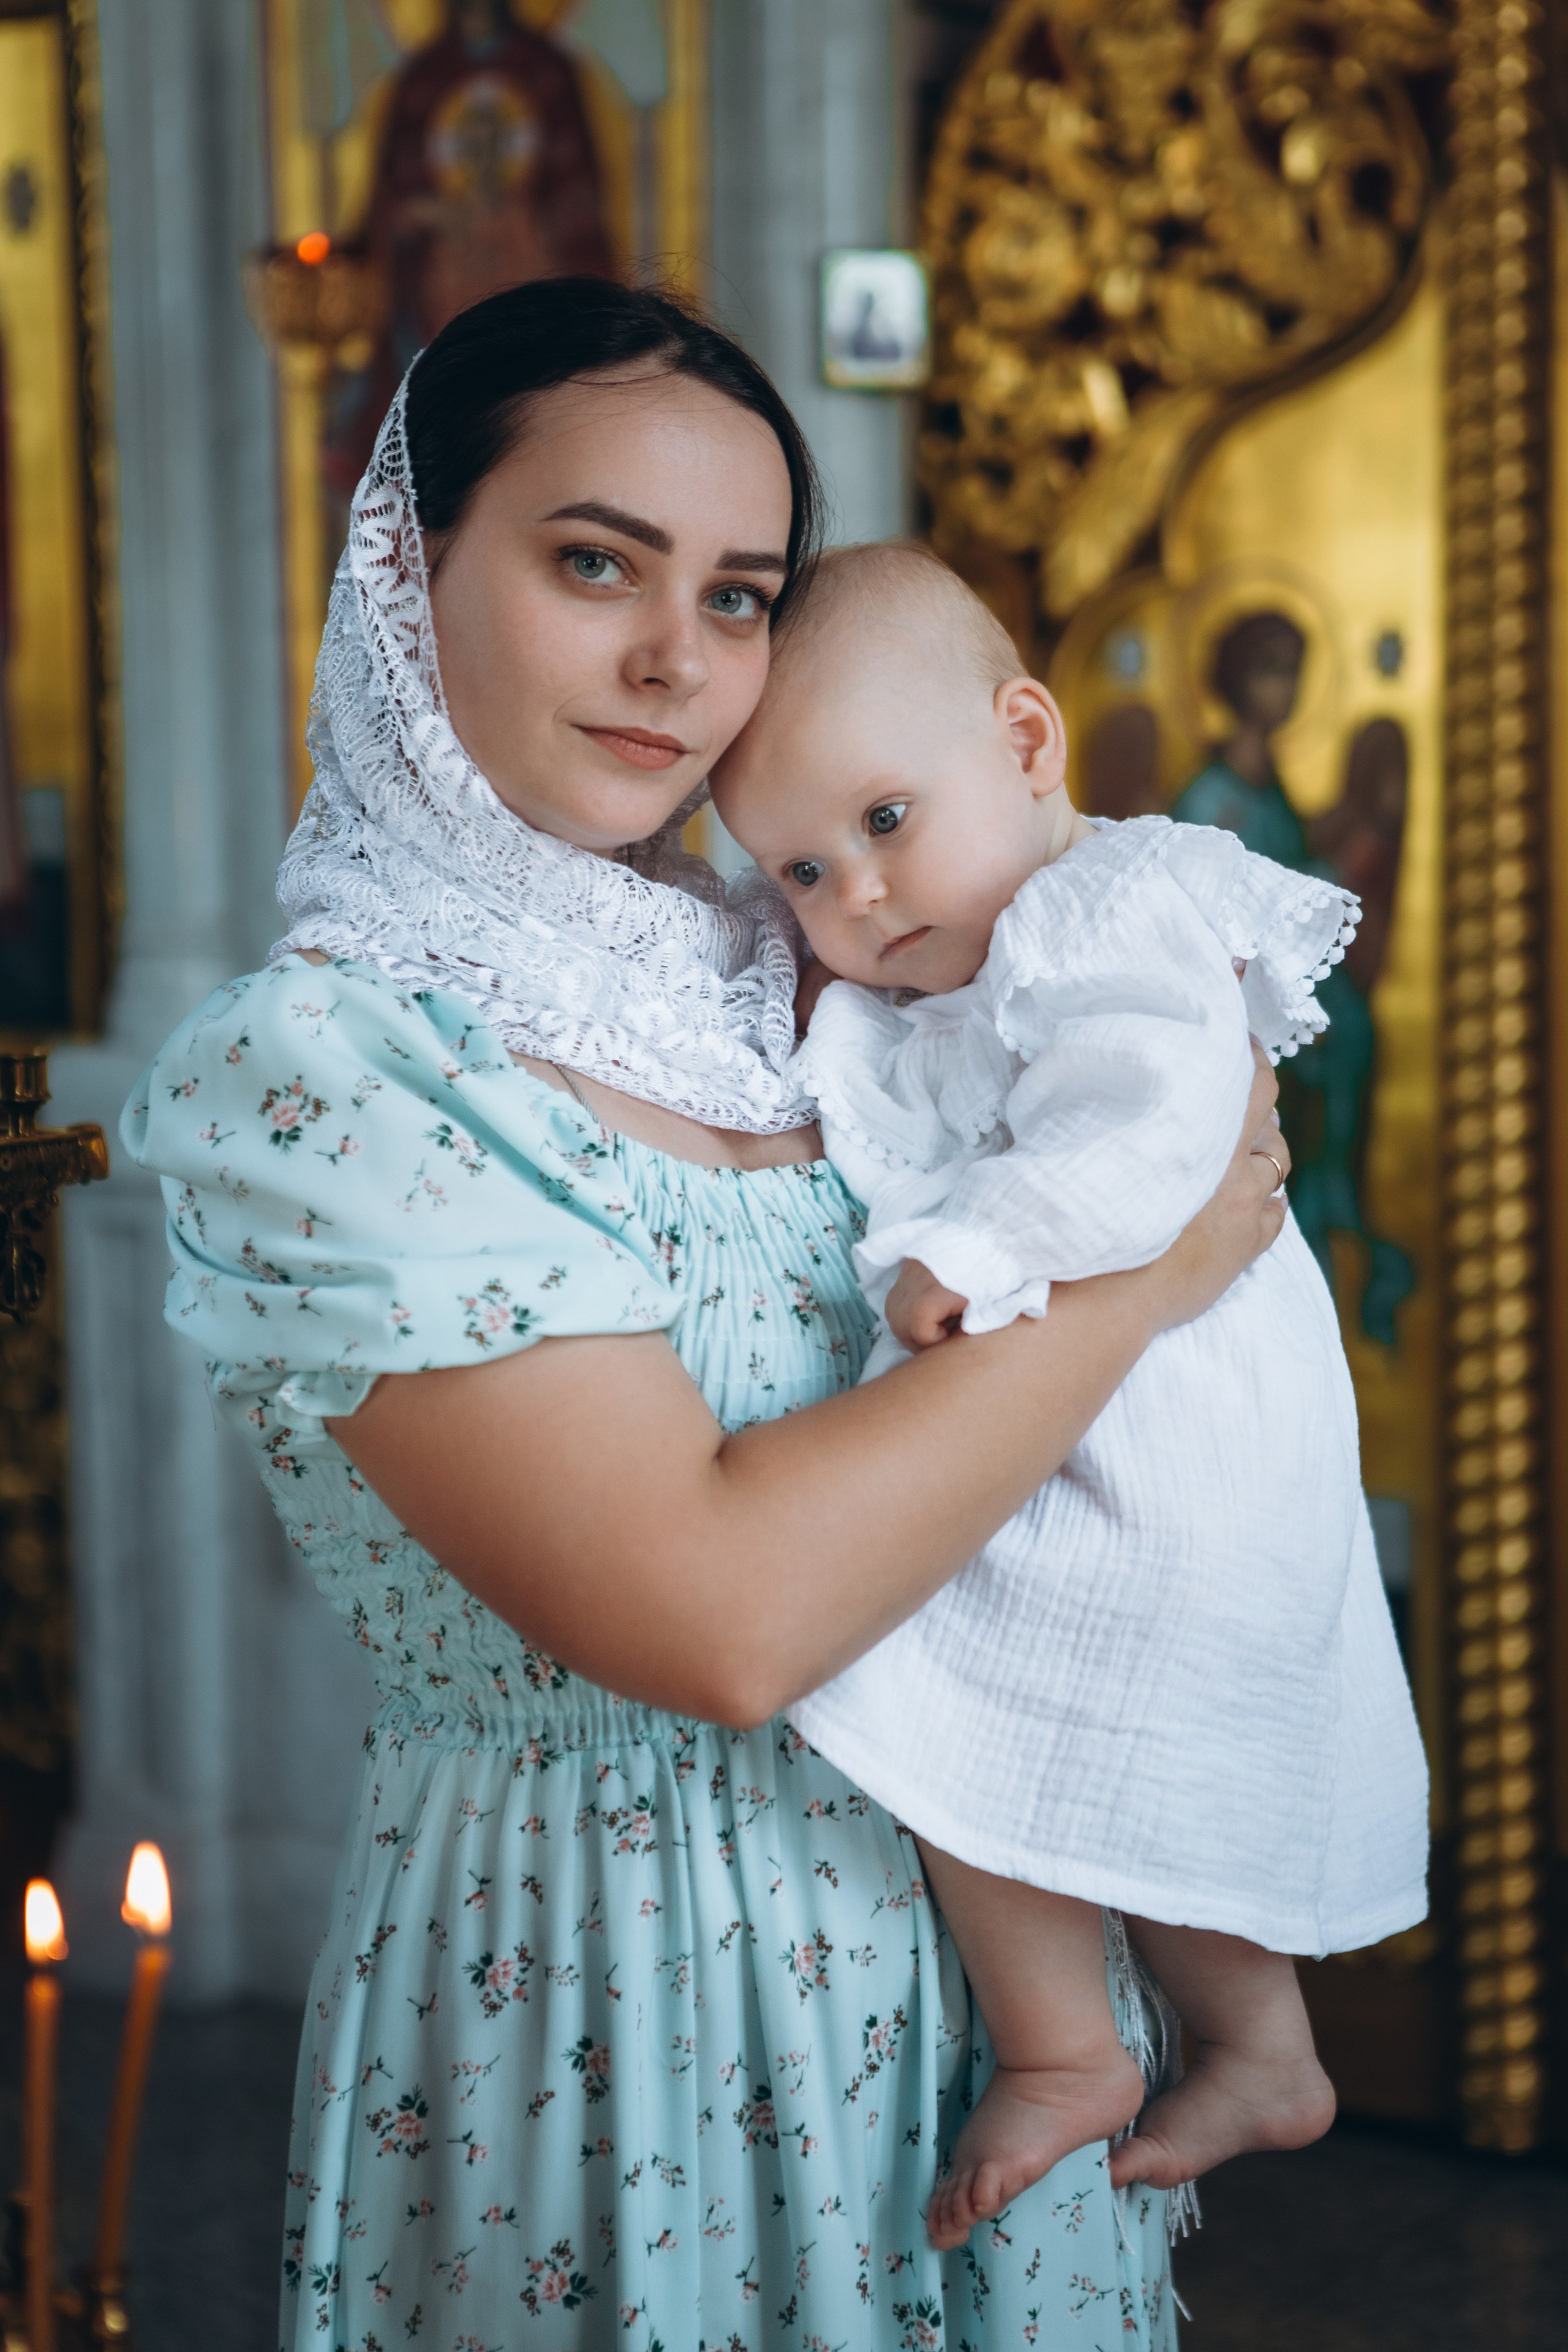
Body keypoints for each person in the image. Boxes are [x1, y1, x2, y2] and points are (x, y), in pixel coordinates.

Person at [124, 280, 1291, 2349]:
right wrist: (1141, 1282)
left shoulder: (828, 955)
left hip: (999, 1967)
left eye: (740, 595)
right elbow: (722, 1623)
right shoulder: (325, 1066)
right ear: (407, 572)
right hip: (617, 1987)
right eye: (598, 565)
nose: (681, 661)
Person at [710, 543, 1428, 2253]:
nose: (858, 896)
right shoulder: (952, 961)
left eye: (887, 821)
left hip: (1176, 1412)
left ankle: (1080, 2049)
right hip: (1122, 1399)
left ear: (1030, 741)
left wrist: (983, 1246)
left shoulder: (1110, 909)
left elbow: (1153, 1123)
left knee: (959, 1680)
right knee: (1067, 1728)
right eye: (802, 870)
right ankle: (1246, 2049)